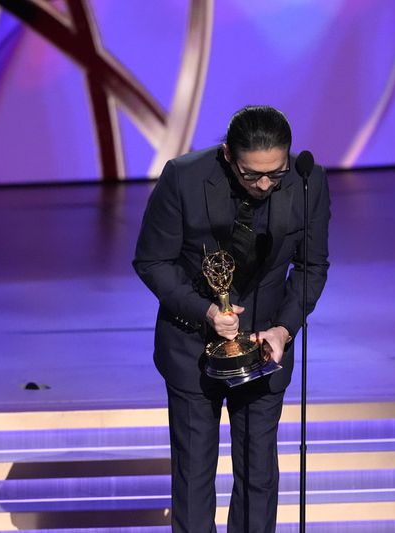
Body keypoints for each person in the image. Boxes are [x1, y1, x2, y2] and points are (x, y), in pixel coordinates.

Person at [133, 105, 330, 532]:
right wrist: (204, 309)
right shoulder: (183, 178)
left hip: (265, 348)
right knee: (194, 473)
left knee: (259, 473)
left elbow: (313, 267)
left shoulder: (307, 181)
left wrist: (284, 328)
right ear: (227, 156)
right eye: (251, 174)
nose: (263, 185)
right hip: (192, 345)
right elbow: (151, 261)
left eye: (274, 174)